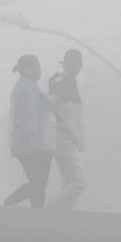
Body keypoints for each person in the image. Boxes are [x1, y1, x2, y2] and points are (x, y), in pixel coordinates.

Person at [4, 54, 56, 208]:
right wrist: (33, 139)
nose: (40, 70)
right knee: (38, 183)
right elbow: (30, 114)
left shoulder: (22, 86)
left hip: (24, 141)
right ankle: (8, 204)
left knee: (38, 183)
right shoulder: (29, 87)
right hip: (31, 142)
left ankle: (36, 216)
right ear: (28, 69)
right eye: (38, 66)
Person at [48, 49, 86, 210]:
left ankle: (64, 215)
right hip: (64, 140)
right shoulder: (62, 83)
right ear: (66, 64)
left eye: (78, 65)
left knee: (69, 183)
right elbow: (51, 105)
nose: (76, 68)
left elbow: (76, 116)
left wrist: (80, 138)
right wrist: (65, 127)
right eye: (72, 64)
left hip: (70, 140)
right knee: (78, 183)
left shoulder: (69, 83)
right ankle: (51, 209)